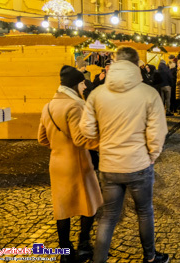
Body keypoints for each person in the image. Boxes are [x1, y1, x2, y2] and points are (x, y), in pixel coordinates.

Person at [79, 47, 169, 263]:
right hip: (139, 163)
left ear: (115, 62)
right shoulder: (148, 93)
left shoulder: (97, 93)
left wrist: (102, 144)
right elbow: (158, 131)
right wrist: (152, 155)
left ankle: (98, 260)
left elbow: (87, 129)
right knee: (145, 211)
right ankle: (150, 257)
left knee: (109, 216)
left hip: (109, 165)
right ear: (137, 64)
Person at [38, 66, 103, 263]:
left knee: (62, 208)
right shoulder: (75, 106)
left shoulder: (48, 106)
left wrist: (59, 148)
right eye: (83, 83)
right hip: (77, 163)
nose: (84, 87)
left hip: (57, 163)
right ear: (75, 85)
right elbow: (81, 139)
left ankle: (65, 251)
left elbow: (41, 138)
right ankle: (83, 244)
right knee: (90, 204)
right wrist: (105, 145)